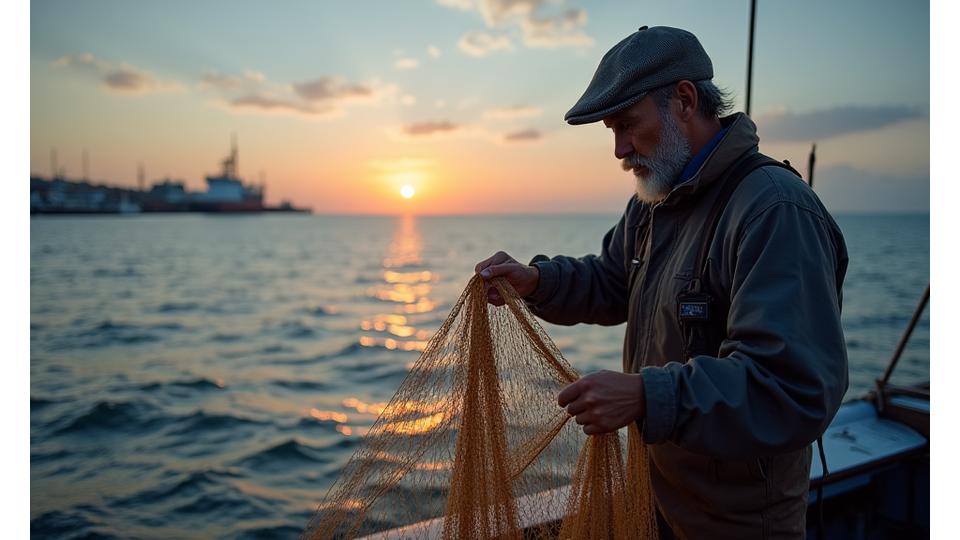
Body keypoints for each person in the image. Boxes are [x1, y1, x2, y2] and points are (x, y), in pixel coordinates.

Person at [475, 26, 849, 539]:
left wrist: (646, 397)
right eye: (611, 130)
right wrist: (537, 281)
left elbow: (790, 387)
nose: (619, 148)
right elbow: (611, 281)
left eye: (628, 124)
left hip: (739, 524)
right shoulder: (653, 202)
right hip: (655, 502)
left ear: (685, 101)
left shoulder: (773, 210)